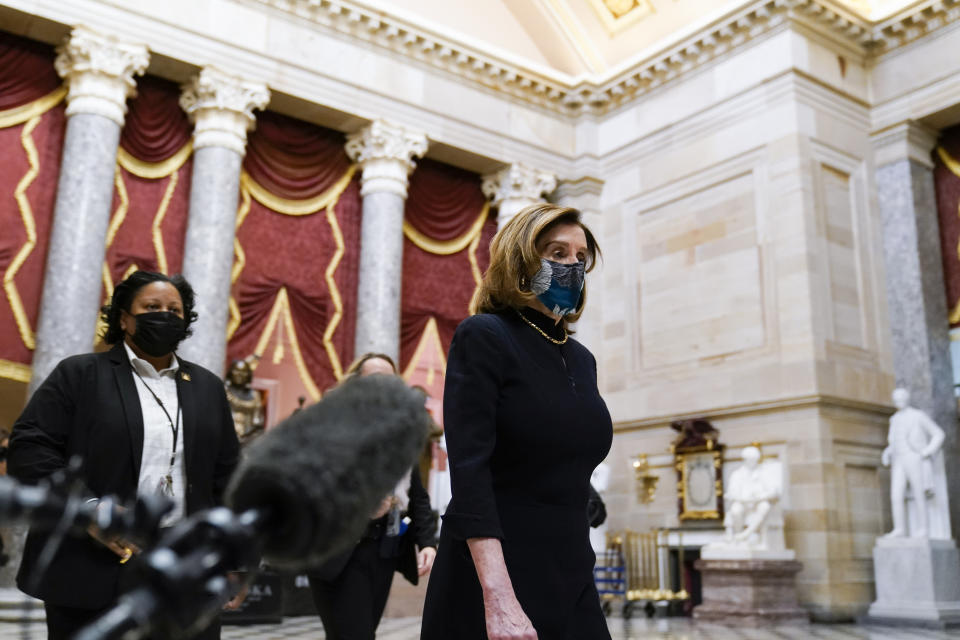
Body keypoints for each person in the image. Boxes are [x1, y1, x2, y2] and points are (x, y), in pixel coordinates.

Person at [8, 270, 242, 640]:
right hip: (90, 562)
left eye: (174, 310)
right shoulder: (80, 374)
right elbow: (30, 448)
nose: (164, 316)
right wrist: (89, 509)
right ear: (124, 318)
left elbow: (229, 477)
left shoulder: (208, 388)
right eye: (152, 307)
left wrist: (237, 561)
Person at [421, 204, 612, 640]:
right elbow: (470, 472)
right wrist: (499, 597)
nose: (572, 267)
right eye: (557, 253)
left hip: (571, 568)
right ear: (520, 261)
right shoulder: (486, 335)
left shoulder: (582, 360)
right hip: (497, 571)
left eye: (580, 258)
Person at [309, 353, 437, 640]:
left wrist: (427, 541)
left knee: (363, 631)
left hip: (384, 548)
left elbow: (416, 493)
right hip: (340, 548)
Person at [881, 387, 948, 539]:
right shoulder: (894, 419)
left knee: (919, 493)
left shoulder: (918, 416)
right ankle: (900, 529)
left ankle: (923, 528)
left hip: (914, 457)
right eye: (896, 400)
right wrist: (887, 452)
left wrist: (927, 452)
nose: (899, 402)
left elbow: (939, 434)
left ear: (907, 399)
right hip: (899, 460)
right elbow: (894, 441)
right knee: (896, 495)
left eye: (901, 399)